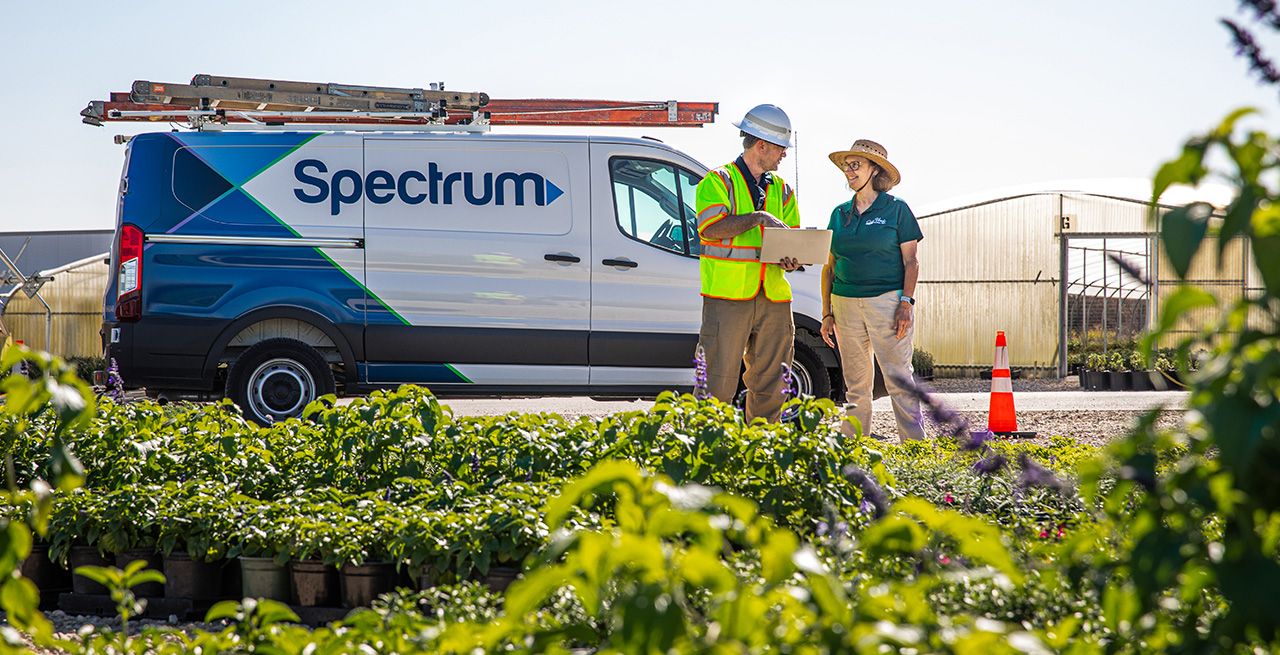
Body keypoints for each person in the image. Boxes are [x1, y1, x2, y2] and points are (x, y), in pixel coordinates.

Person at [694, 104, 801, 422]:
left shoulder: (783, 191)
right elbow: (710, 228)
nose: (784, 155)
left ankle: (763, 454)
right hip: (727, 299)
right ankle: (710, 458)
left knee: (773, 388)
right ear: (762, 145)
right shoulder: (717, 181)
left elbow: (791, 238)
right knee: (716, 385)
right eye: (781, 148)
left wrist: (795, 259)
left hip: (775, 298)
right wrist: (757, 218)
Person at [819, 139, 925, 440]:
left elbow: (911, 261)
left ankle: (916, 449)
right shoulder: (839, 214)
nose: (849, 172)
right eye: (847, 166)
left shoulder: (897, 210)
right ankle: (853, 448)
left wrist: (906, 303)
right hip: (844, 305)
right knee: (856, 384)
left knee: (899, 379)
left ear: (874, 169)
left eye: (856, 165)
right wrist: (826, 313)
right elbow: (829, 266)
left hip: (887, 303)